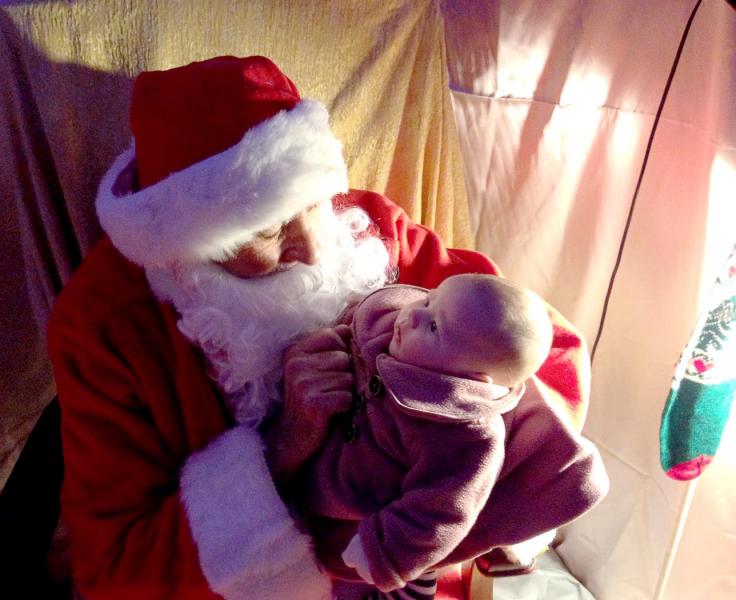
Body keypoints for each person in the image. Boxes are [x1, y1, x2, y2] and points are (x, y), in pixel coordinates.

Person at [48, 56, 607, 600]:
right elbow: (116, 568)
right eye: (267, 233)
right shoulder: (106, 329)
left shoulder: (369, 228)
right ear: (191, 244)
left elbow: (542, 347)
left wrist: (465, 467)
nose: (313, 249)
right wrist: (283, 449)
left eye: (314, 204)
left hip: (409, 566)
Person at [288, 275, 598, 598]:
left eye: (435, 328)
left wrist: (382, 551)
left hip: (372, 531)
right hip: (317, 494)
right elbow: (350, 342)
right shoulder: (387, 331)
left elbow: (441, 513)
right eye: (428, 299)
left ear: (471, 378)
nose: (413, 315)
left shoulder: (467, 438)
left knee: (409, 577)